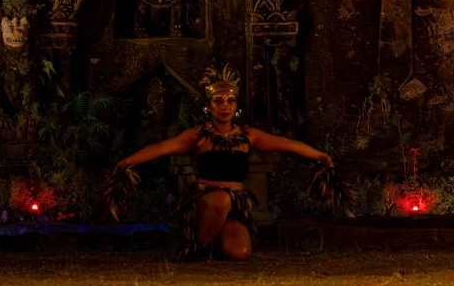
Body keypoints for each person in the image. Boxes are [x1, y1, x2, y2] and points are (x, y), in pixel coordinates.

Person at [113, 65, 332, 260]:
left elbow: (287, 144)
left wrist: (320, 156)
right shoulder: (199, 135)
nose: (225, 106)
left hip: (233, 205)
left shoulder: (248, 136)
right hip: (205, 202)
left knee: (240, 252)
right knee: (220, 199)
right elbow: (161, 148)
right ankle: (195, 249)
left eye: (230, 100)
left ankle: (213, 241)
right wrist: (127, 162)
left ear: (236, 105)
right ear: (208, 107)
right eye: (218, 101)